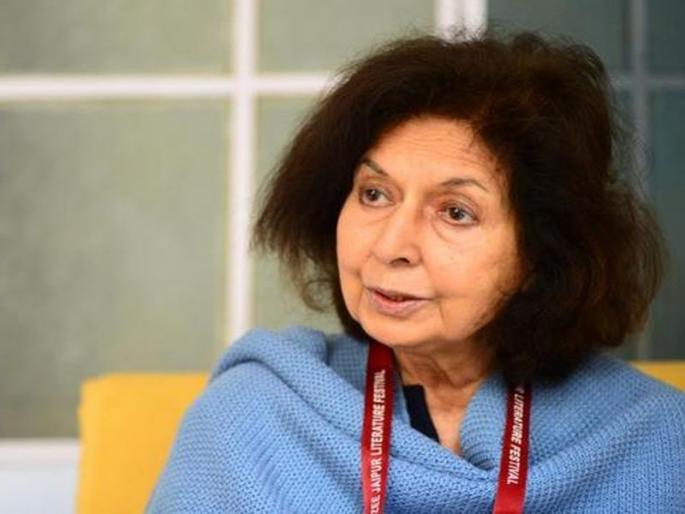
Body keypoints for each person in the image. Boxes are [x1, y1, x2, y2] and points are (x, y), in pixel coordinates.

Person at [145, 27, 685, 513]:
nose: (390, 246)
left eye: (455, 212)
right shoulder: (253, 415)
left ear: (540, 254)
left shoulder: (655, 441)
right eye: (374, 194)